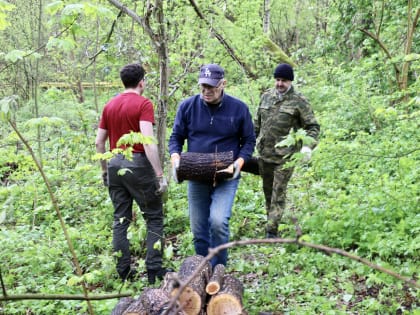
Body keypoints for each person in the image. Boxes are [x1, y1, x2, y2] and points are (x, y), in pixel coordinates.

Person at [168, 64, 256, 267]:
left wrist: (239, 163)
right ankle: (203, 269)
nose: (206, 91)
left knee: (218, 222)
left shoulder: (239, 108)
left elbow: (249, 141)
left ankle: (219, 269)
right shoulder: (187, 106)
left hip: (226, 175)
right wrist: (175, 158)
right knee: (199, 229)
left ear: (223, 84)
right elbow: (176, 138)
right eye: (203, 86)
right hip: (196, 174)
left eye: (211, 87)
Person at [95, 63, 169, 284]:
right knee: (154, 217)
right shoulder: (144, 104)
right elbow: (147, 142)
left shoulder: (110, 105)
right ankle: (154, 270)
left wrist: (104, 171)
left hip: (114, 163)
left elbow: (99, 142)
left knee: (120, 219)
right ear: (141, 82)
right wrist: (158, 174)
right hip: (137, 164)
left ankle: (124, 272)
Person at [255, 63, 320, 238]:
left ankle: (271, 231)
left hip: (285, 157)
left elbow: (312, 127)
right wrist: (249, 143)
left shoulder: (299, 101)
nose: (279, 84)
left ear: (290, 81)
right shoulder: (266, 96)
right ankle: (271, 219)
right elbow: (257, 124)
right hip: (264, 154)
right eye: (277, 79)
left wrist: (307, 146)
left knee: (278, 192)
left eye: (283, 80)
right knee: (268, 190)